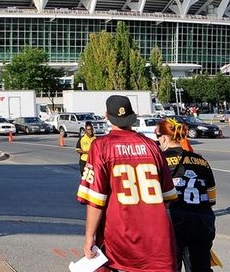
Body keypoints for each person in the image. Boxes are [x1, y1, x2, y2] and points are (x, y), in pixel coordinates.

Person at [77, 95, 179, 271]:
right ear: (132, 115)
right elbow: (168, 197)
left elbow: (95, 199)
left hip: (120, 237)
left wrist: (89, 237)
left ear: (107, 116)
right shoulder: (152, 146)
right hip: (157, 238)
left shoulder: (100, 146)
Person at [156, 118, 217, 272]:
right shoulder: (201, 160)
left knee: (170, 267)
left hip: (174, 220)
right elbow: (211, 197)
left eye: (157, 136)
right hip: (203, 220)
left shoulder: (160, 161)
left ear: (163, 137)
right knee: (200, 268)